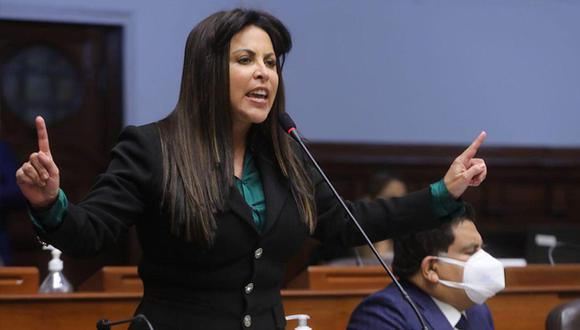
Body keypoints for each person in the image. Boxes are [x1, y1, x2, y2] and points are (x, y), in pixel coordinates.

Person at [15, 8, 488, 330]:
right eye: (245, 60)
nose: (264, 72)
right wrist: (50, 204)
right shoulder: (151, 147)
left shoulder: (285, 153)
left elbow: (346, 222)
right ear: (206, 71)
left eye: (270, 62)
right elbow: (91, 232)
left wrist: (442, 193)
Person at [347, 204, 504, 330]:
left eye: (481, 249)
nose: (483, 259)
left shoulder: (478, 311)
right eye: (471, 251)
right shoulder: (383, 314)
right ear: (431, 268)